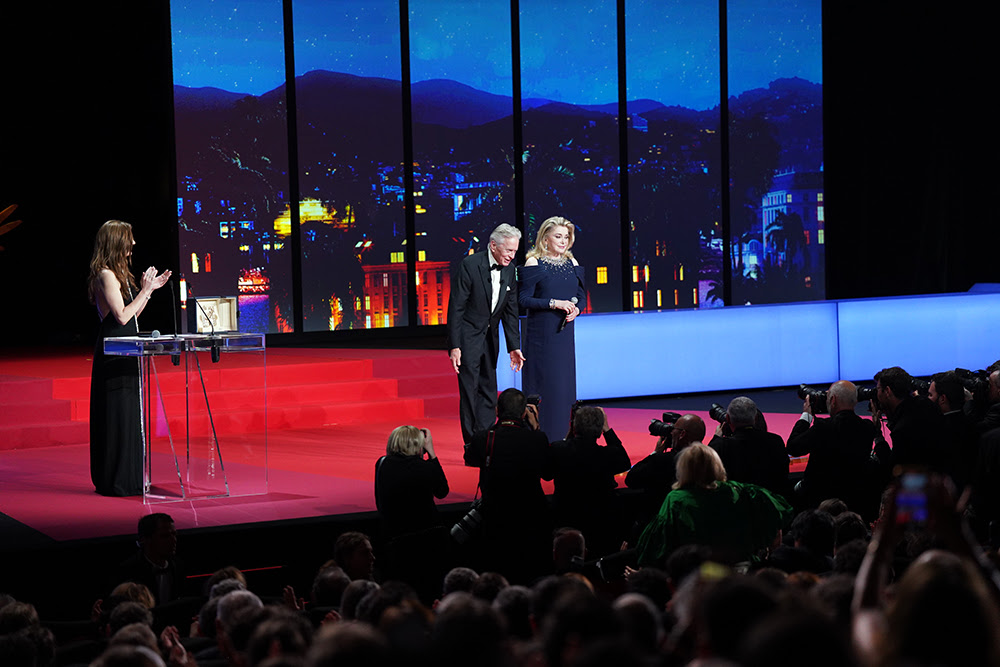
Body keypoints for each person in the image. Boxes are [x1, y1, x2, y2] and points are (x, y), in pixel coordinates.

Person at [87, 219, 171, 496]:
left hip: (126, 349)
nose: (133, 244)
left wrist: (150, 290)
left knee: (129, 413)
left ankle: (132, 477)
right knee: (117, 413)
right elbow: (122, 317)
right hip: (113, 351)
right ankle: (116, 480)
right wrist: (145, 291)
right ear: (116, 241)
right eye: (129, 238)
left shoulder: (118, 274)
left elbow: (132, 316)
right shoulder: (106, 274)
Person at [635, 443, 793, 568]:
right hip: (744, 568)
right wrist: (768, 554)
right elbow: (779, 514)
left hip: (699, 574)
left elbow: (655, 548)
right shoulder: (742, 490)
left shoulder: (676, 500)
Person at [464, 388, 553, 584]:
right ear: (524, 413)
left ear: (497, 411)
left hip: (494, 517)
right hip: (530, 518)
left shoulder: (483, 438)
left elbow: (469, 458)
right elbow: (548, 474)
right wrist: (536, 427)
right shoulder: (537, 438)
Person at [447, 223, 525, 444]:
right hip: (468, 337)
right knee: (470, 390)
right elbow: (456, 308)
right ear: (493, 246)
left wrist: (514, 346)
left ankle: (488, 439)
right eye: (508, 250)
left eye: (515, 251)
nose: (512, 255)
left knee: (489, 389)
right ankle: (472, 443)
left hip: (491, 339)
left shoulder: (510, 270)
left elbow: (511, 312)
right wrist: (455, 345)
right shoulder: (470, 265)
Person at [518, 216, 587, 441]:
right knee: (544, 389)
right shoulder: (534, 262)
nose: (563, 241)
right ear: (545, 238)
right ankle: (538, 439)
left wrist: (577, 309)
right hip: (541, 339)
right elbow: (523, 299)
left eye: (566, 237)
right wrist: (554, 303)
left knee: (563, 389)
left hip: (564, 337)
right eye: (558, 236)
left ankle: (564, 439)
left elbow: (580, 296)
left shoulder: (572, 263)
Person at [374, 425, 450, 603]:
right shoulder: (424, 468)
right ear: (419, 445)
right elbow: (442, 491)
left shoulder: (382, 464)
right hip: (427, 540)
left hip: (394, 539)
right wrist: (431, 453)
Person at [786, 381, 879, 516]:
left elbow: (793, 448)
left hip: (818, 503)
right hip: (855, 499)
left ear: (833, 400)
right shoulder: (868, 428)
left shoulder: (823, 427)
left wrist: (806, 415)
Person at [550, 406, 632, 558]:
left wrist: (571, 431)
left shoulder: (558, 449)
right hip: (600, 524)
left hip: (565, 519)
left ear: (574, 427)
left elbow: (548, 473)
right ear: (600, 430)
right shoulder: (607, 455)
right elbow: (624, 461)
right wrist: (607, 429)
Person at [708, 397, 790, 498]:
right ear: (755, 418)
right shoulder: (776, 440)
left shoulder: (720, 446)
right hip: (772, 502)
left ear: (728, 419)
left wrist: (716, 438)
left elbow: (706, 469)